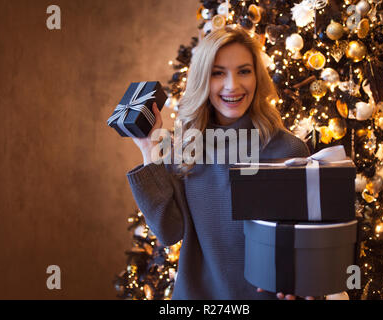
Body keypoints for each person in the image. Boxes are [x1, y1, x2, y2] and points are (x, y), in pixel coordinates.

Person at [127, 26, 313, 300]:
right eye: (218, 73)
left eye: (244, 71)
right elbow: (168, 232)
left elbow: (305, 241)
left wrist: (301, 278)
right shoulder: (183, 149)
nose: (232, 85)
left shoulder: (289, 149)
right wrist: (148, 150)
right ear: (203, 78)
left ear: (257, 77)